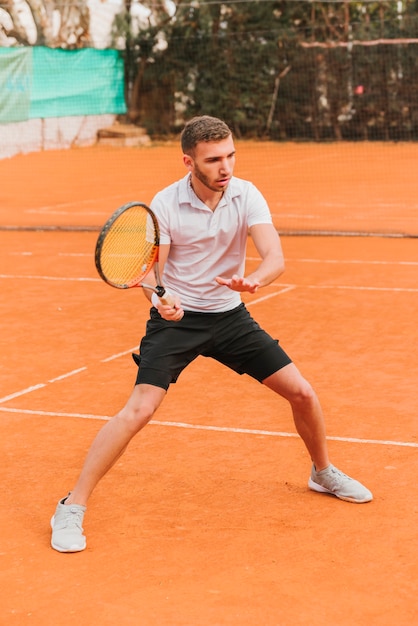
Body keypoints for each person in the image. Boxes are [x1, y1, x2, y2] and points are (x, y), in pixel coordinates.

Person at [51, 115, 372, 553]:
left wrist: (255, 279)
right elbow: (148, 269)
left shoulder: (245, 193)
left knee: (302, 393)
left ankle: (322, 472)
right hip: (177, 321)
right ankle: (71, 506)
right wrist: (159, 301)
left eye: (231, 156)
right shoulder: (164, 203)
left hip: (230, 316)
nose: (226, 167)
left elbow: (274, 255)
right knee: (139, 410)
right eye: (214, 159)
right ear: (189, 162)